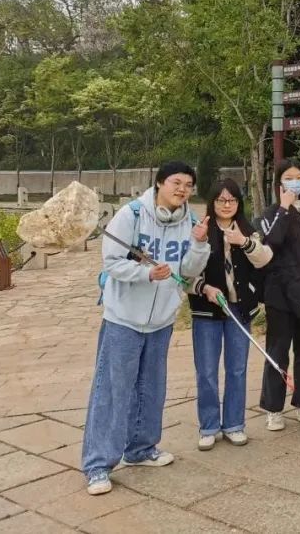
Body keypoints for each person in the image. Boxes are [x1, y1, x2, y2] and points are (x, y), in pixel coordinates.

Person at [82, 161, 210, 496]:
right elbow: (112, 262)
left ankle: (140, 448)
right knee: (113, 390)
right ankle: (98, 464)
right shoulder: (132, 215)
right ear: (160, 183)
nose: (182, 190)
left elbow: (188, 272)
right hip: (123, 318)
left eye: (188, 185)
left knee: (151, 388)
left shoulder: (191, 222)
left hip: (161, 321)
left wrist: (199, 244)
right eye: (176, 182)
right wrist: (146, 274)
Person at [188, 178, 272, 451]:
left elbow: (264, 258)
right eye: (221, 200)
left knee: (237, 369)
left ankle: (235, 424)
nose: (227, 205)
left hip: (240, 308)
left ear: (239, 203)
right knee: (207, 371)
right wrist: (204, 287)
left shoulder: (248, 230)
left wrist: (243, 242)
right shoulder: (200, 230)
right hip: (207, 309)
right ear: (212, 202)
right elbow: (185, 272)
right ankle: (209, 426)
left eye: (232, 200)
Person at [257, 159, 300, 432]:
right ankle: (274, 408)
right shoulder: (269, 214)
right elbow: (271, 243)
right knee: (277, 351)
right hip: (279, 293)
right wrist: (284, 208)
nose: (295, 182)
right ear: (279, 183)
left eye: (299, 177)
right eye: (289, 177)